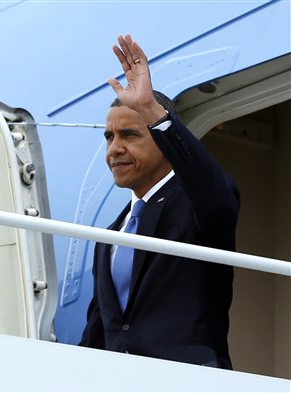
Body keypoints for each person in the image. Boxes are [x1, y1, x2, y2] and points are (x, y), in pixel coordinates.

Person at [79, 34, 240, 369]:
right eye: (109, 137)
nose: (114, 149)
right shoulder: (111, 235)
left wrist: (151, 110)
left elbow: (217, 195)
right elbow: (97, 335)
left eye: (130, 135)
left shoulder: (195, 205)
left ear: (163, 139)